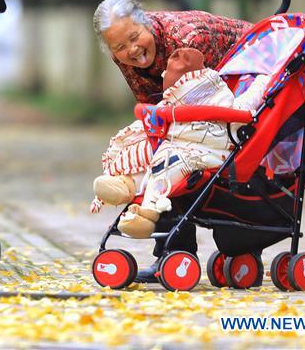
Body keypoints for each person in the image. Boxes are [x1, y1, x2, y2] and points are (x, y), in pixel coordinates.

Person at [92, 0, 251, 283]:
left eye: (134, 37)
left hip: (236, 83)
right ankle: (172, 253)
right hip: (189, 108)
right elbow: (151, 104)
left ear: (146, 22)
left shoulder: (188, 40)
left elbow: (209, 95)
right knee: (159, 149)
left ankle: (178, 250)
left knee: (175, 156)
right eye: (120, 47)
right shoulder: (124, 55)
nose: (132, 50)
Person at [92, 48, 270, 237]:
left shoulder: (222, 102)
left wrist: (265, 81)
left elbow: (248, 103)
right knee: (147, 151)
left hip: (206, 151)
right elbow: (251, 98)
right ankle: (124, 184)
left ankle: (147, 212)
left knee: (166, 164)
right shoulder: (177, 105)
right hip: (176, 143)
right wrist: (264, 80)